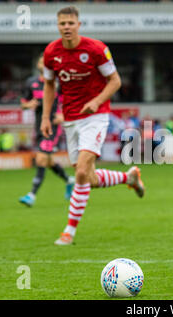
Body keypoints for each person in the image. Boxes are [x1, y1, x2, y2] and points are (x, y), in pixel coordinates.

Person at [41, 6, 145, 245]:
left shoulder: (96, 49)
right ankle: (129, 178)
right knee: (88, 177)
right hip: (70, 120)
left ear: (79, 24)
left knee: (79, 173)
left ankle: (69, 231)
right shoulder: (51, 52)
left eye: (70, 22)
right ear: (58, 26)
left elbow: (115, 81)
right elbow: (49, 85)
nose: (66, 27)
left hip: (96, 116)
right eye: (62, 23)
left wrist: (96, 101)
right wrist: (46, 117)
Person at [19, 55, 75, 207]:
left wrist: (63, 114)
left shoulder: (59, 82)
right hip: (38, 126)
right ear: (38, 65)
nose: (43, 64)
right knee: (48, 161)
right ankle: (69, 180)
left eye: (46, 61)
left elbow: (69, 100)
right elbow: (23, 103)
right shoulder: (31, 83)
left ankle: (32, 195)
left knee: (41, 159)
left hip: (53, 127)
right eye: (41, 61)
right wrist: (28, 104)